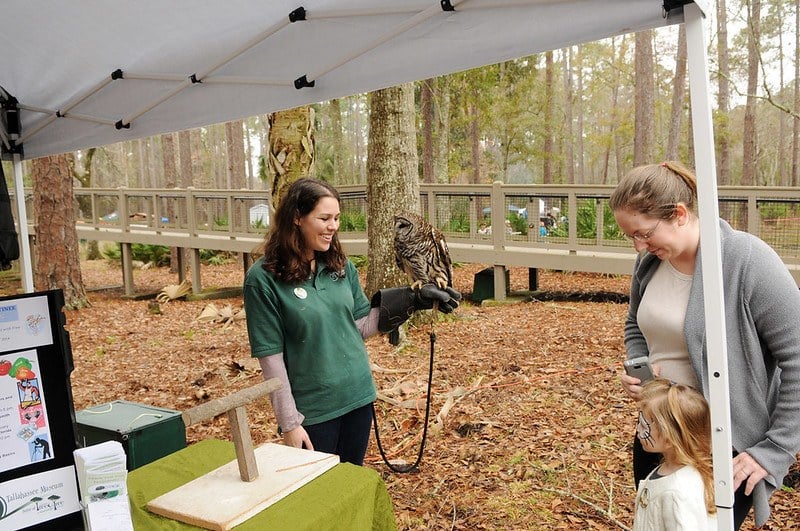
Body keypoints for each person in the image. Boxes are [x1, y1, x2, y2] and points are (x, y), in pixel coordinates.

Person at [610, 161, 800, 529]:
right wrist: (639, 363)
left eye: (644, 233)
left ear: (679, 214)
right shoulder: (648, 264)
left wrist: (775, 448)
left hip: (719, 447)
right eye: (630, 236)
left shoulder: (747, 261)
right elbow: (636, 321)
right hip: (657, 434)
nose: (639, 246)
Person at [243, 178, 460, 465]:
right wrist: (290, 423)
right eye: (324, 218)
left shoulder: (340, 266)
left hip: (358, 398)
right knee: (319, 495)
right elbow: (271, 360)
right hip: (314, 410)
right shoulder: (263, 280)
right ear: (296, 218)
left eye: (337, 218)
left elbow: (359, 326)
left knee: (349, 485)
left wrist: (413, 299)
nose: (333, 226)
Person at [633, 378, 716, 530]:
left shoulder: (678, 493)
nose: (638, 430)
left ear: (670, 438)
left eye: (645, 426)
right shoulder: (667, 468)